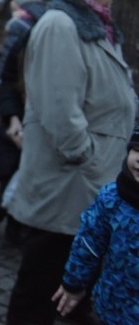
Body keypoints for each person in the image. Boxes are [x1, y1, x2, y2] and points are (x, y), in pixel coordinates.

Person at [5, 0, 137, 325]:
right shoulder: (62, 25)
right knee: (41, 287)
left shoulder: (92, 23)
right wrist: (90, 160)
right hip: (68, 185)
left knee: (72, 286)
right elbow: (60, 111)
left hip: (84, 185)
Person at [0, 0, 51, 243]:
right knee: (10, 176)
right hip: (14, 122)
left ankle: (12, 227)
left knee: (22, 179)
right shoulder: (22, 36)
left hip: (27, 121)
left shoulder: (27, 29)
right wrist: (10, 118)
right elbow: (7, 79)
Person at [52, 125, 139, 325]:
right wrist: (74, 283)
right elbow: (89, 243)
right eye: (137, 150)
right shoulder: (113, 197)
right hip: (113, 307)